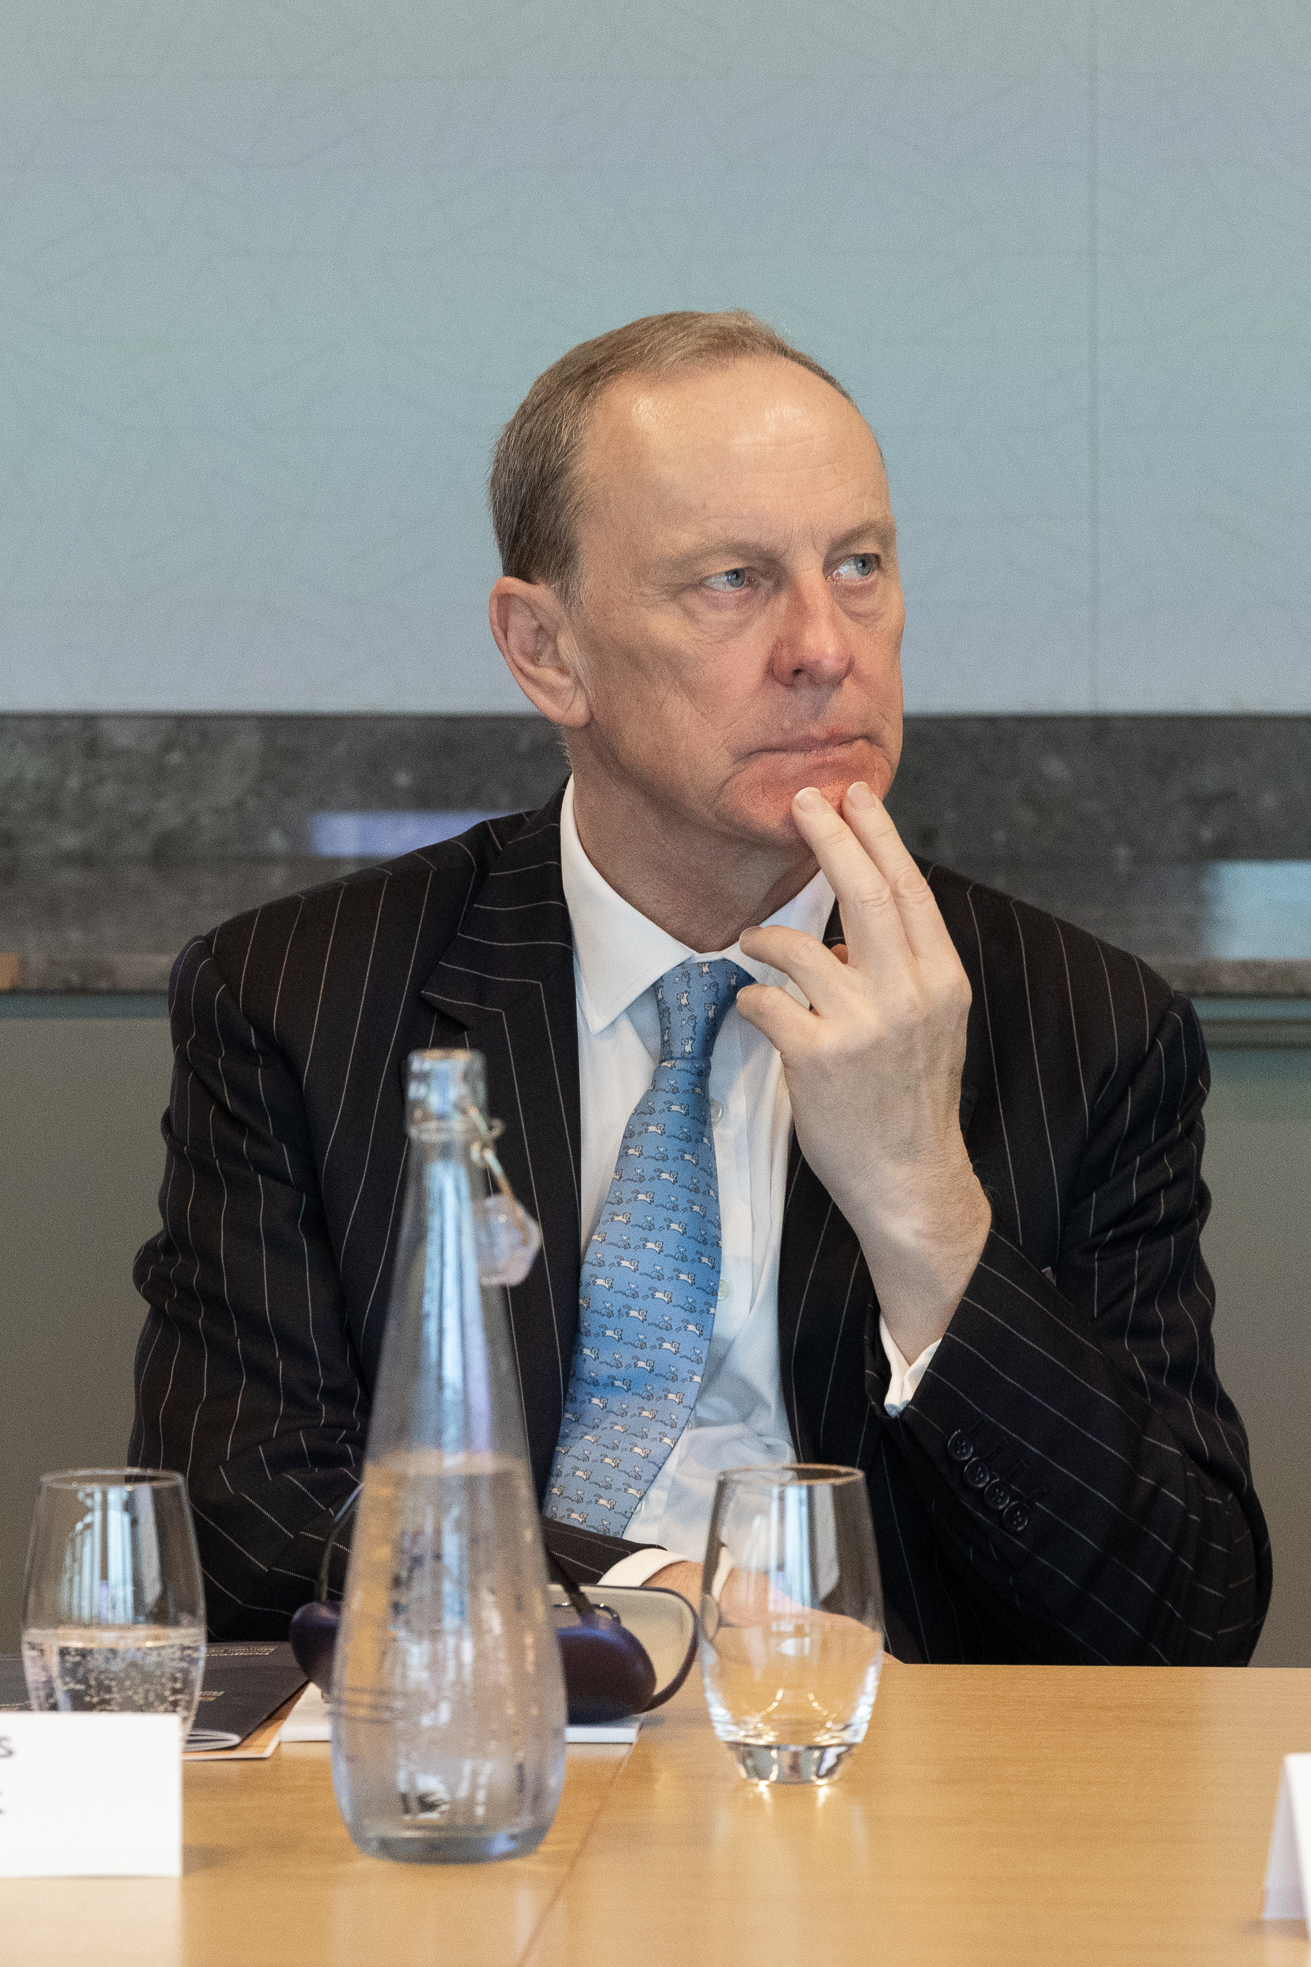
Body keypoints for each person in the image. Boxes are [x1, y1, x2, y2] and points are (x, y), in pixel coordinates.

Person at [130, 311, 1270, 1663]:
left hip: (896, 1764)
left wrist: (923, 1206)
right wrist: (648, 1596)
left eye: (859, 566)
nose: (825, 647)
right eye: (734, 580)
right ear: (546, 650)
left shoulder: (1085, 1024)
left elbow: (1184, 1622)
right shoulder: (302, 998)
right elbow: (242, 1514)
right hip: (481, 1736)